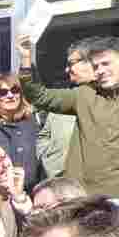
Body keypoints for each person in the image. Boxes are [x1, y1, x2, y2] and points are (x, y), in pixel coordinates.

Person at [18, 33, 119, 198]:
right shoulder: (84, 95)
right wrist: (26, 59)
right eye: (96, 66)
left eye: (106, 63)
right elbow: (39, 96)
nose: (100, 71)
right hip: (84, 198)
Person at [35, 38, 95, 177]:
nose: (66, 70)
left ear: (91, 63)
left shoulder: (114, 100)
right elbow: (44, 135)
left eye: (71, 64)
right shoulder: (64, 99)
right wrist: (48, 158)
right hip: (59, 179)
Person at [0, 73, 47, 194]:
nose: (10, 95)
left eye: (15, 90)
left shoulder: (33, 122)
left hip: (32, 194)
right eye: (3, 92)